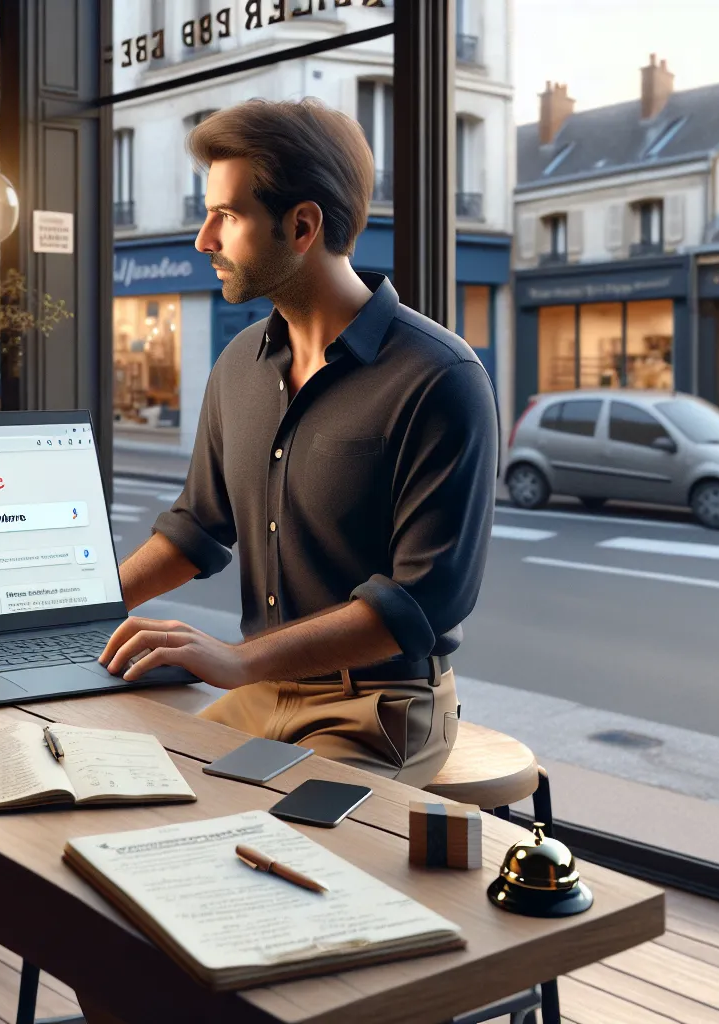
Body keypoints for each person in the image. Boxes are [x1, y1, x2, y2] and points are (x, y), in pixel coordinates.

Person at [96, 98, 498, 784]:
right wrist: (74, 610)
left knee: (264, 853)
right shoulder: (238, 366)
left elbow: (418, 605)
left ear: (302, 225)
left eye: (226, 215)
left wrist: (234, 659)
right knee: (124, 784)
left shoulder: (441, 378)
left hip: (376, 706)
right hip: (257, 695)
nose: (203, 240)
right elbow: (196, 531)